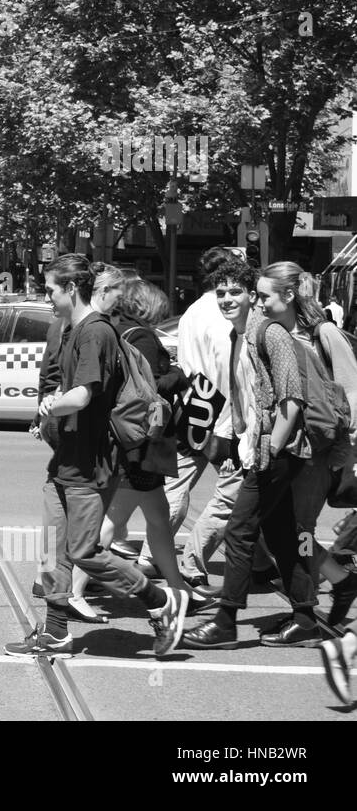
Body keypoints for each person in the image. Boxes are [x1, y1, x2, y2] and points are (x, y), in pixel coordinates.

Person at [5, 254, 187, 659]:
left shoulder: (95, 333)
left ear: (71, 289)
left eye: (50, 289)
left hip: (91, 463)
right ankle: (55, 633)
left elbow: (85, 394)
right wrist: (50, 403)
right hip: (66, 459)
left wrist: (53, 406)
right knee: (54, 549)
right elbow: (59, 380)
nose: (46, 297)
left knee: (85, 551)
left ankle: (159, 601)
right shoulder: (69, 329)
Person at [185, 262, 357, 650]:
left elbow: (348, 393)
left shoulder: (319, 332)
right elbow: (245, 396)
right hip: (276, 446)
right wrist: (234, 440)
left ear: (284, 295)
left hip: (312, 449)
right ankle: (319, 601)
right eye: (222, 293)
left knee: (278, 532)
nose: (232, 299)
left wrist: (347, 454)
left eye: (255, 294)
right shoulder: (245, 336)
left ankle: (232, 619)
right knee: (288, 532)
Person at [67, 276, 191, 622]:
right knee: (112, 521)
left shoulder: (122, 332)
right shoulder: (145, 338)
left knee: (157, 519)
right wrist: (178, 376)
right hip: (142, 444)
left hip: (137, 444)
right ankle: (73, 592)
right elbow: (149, 388)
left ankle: (180, 590)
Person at [164, 247, 246, 593]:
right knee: (235, 488)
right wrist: (228, 426)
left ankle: (153, 552)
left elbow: (185, 360)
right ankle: (191, 562)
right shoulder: (222, 314)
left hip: (193, 400)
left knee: (178, 481)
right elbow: (227, 368)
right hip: (220, 406)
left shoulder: (191, 313)